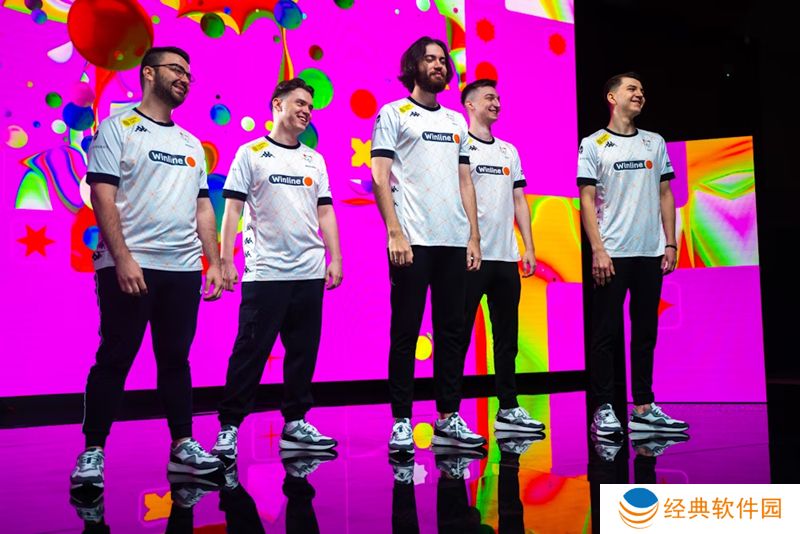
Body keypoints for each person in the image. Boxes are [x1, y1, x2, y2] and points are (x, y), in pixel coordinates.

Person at [70, 46, 224, 491]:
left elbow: (203, 208)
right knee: (116, 356)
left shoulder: (191, 144)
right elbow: (102, 194)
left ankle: (183, 447)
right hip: (131, 264)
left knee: (176, 358)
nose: (185, 78)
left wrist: (213, 261)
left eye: (189, 73)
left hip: (182, 268)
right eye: (177, 69)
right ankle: (92, 452)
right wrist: (122, 258)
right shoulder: (117, 128)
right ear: (148, 73)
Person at [211, 78, 343, 461]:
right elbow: (233, 209)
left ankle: (296, 423)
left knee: (303, 352)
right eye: (299, 103)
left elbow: (325, 212)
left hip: (309, 272)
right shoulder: (251, 153)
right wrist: (225, 259)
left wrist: (335, 258)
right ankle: (229, 429)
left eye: (310, 107)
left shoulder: (314, 160)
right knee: (249, 353)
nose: (306, 111)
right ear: (277, 104)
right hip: (266, 273)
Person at [371, 36, 486, 454]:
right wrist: (394, 232)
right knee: (405, 331)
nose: (438, 65)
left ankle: (448, 417)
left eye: (442, 60)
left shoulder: (457, 121)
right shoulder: (393, 113)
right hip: (412, 241)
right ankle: (402, 421)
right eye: (430, 59)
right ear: (413, 66)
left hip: (453, 241)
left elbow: (464, 180)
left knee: (452, 333)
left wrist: (473, 236)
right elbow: (379, 175)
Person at [577, 72, 689, 436]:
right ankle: (604, 409)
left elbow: (666, 194)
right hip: (612, 254)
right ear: (612, 98)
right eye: (631, 88)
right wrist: (598, 250)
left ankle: (643, 407)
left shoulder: (654, 142)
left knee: (645, 333)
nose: (640, 93)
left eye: (641, 89)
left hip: (650, 253)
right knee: (605, 334)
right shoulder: (593, 144)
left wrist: (670, 243)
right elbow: (586, 200)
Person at [458, 78, 544, 434]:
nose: (496, 103)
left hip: (506, 257)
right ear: (470, 105)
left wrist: (529, 246)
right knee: (458, 336)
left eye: (498, 98)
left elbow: (519, 200)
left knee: (507, 338)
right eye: (489, 98)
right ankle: (450, 414)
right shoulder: (459, 145)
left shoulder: (509, 151)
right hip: (470, 257)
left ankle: (508, 408)